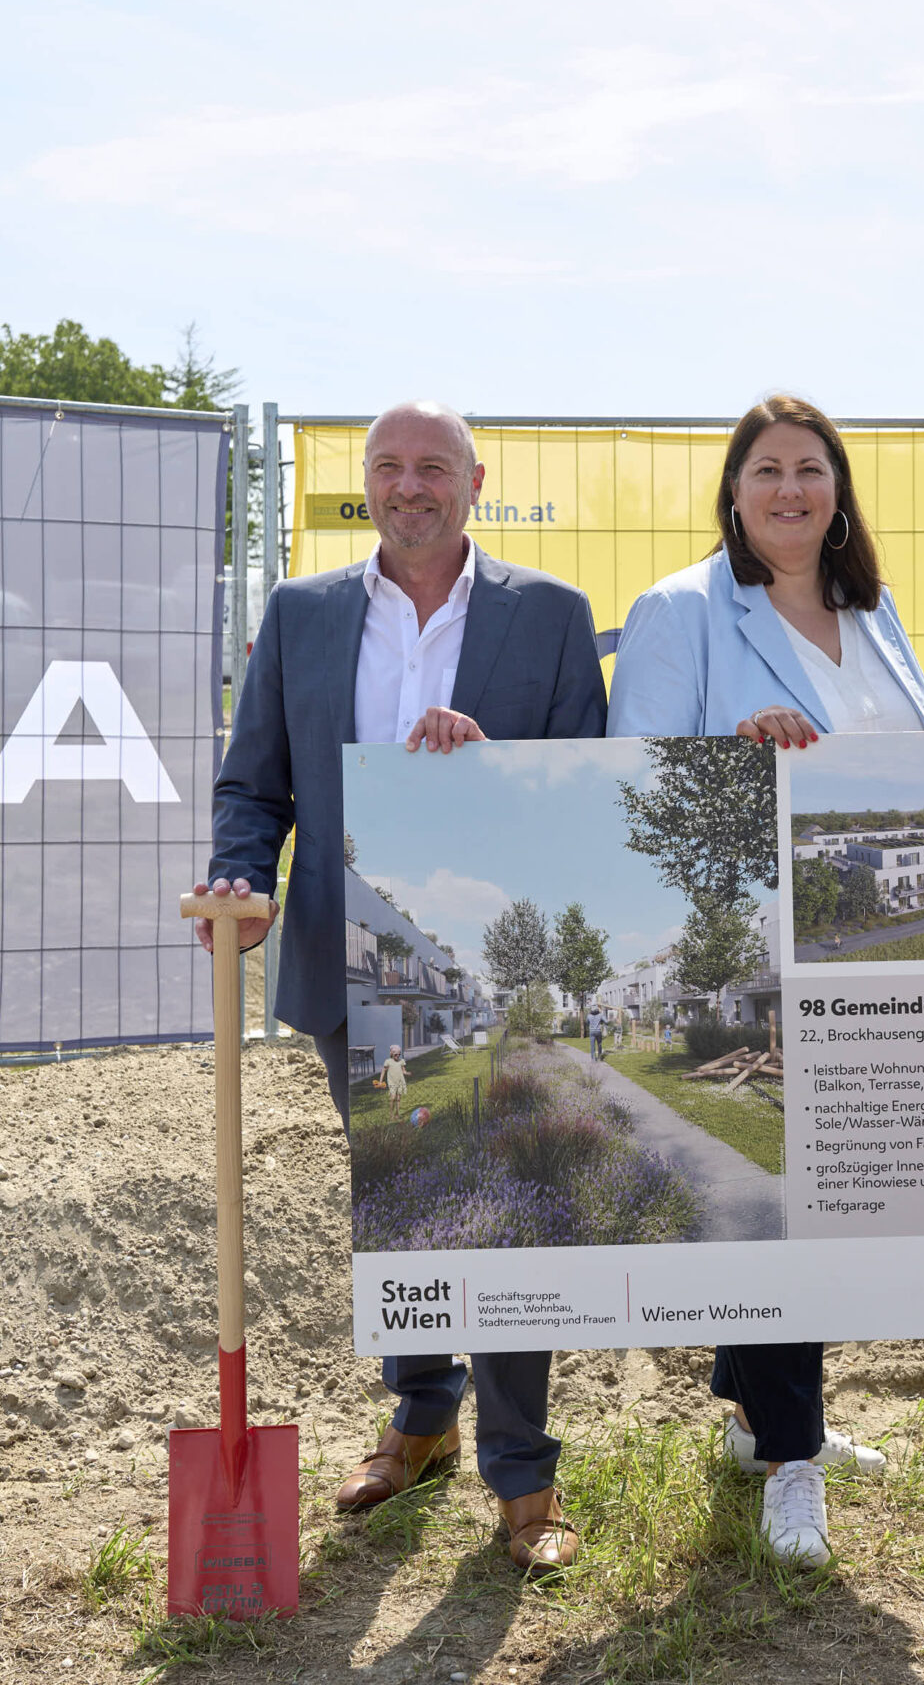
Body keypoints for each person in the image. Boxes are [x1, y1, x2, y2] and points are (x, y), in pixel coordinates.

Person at [198, 400, 607, 1573]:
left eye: (434, 466)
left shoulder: (550, 618)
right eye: (388, 467)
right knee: (405, 1203)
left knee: (499, 1212)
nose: (409, 484)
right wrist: (240, 874)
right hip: (345, 960)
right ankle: (420, 1423)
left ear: (477, 482)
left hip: (488, 975)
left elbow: (582, 788)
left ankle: (525, 1480)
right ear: (363, 484)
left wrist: (489, 776)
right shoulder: (304, 613)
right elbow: (253, 784)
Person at [609, 391, 924, 1566]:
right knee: (782, 1202)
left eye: (810, 468)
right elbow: (637, 779)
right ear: (733, 492)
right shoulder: (680, 611)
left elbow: (909, 765)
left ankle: (760, 1422)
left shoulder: (875, 612)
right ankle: (792, 1462)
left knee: (831, 1193)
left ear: (838, 490)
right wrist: (731, 758)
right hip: (761, 946)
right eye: (766, 471)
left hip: (867, 946)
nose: (790, 489)